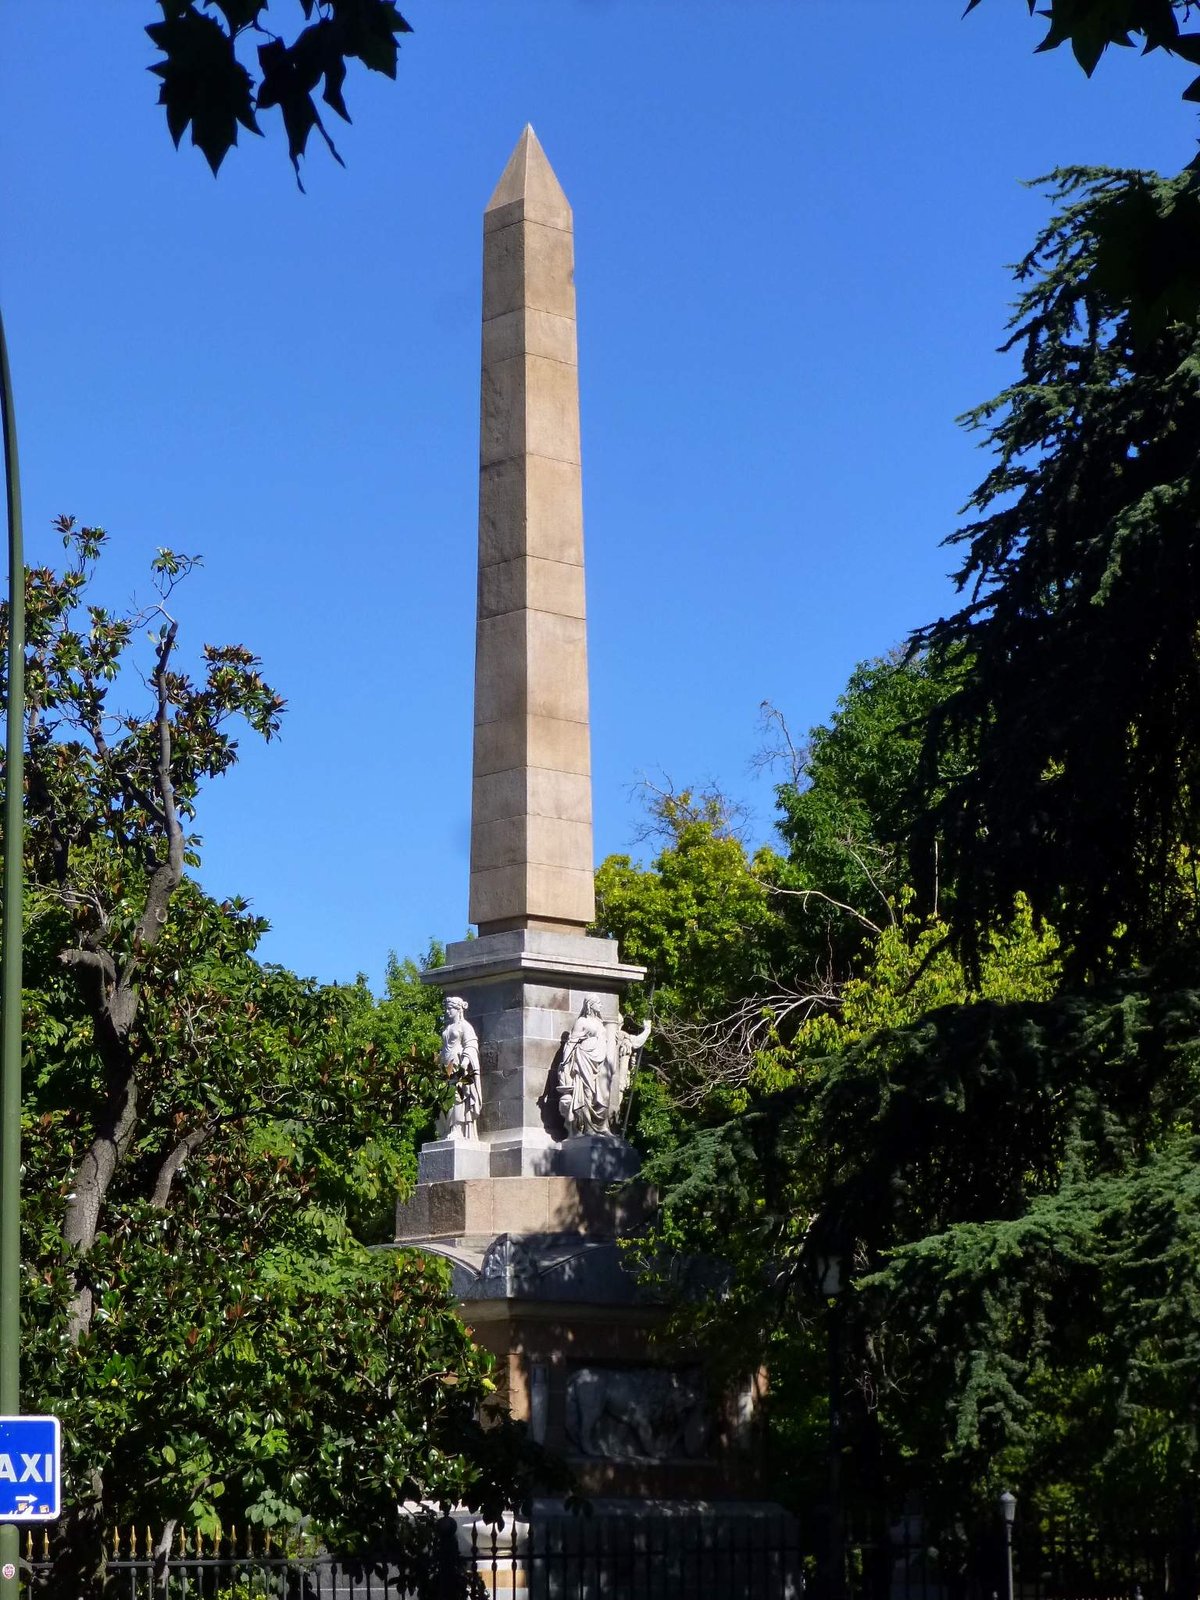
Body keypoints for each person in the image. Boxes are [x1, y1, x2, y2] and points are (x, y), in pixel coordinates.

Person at [559, 996, 612, 1136]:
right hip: (585, 1059)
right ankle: (588, 1127)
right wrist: (564, 1062)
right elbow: (572, 1042)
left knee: (604, 1094)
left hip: (600, 1061)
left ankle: (602, 1126)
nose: (601, 1005)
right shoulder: (581, 1021)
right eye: (598, 1003)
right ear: (590, 1005)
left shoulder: (599, 1022)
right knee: (587, 1093)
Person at [440, 995, 482, 1139]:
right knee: (446, 1097)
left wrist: (465, 1062)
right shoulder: (448, 1027)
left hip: (458, 1065)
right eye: (446, 1008)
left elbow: (471, 1044)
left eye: (450, 1008)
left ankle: (457, 1128)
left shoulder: (465, 1026)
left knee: (457, 1096)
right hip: (446, 1066)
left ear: (459, 1009)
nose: (447, 1011)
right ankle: (447, 1128)